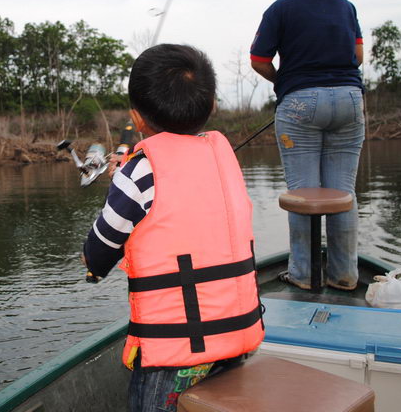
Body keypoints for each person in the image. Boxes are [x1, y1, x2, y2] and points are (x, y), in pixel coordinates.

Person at [82, 44, 264, 412]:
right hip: (236, 337)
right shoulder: (222, 158)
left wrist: (124, 180)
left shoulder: (136, 173)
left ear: (137, 117)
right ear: (211, 105)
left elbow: (97, 254)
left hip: (173, 356)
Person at [250, 0, 365, 291]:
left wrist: (285, 81)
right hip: (349, 100)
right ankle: (344, 276)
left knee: (302, 194)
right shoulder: (346, 7)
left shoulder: (281, 8)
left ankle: (303, 275)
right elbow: (357, 56)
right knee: (343, 193)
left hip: (300, 105)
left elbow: (258, 60)